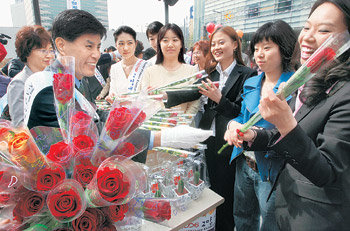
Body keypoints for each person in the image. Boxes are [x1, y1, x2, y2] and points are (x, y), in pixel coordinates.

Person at [225, 0, 350, 229]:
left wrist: (286, 123)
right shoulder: (311, 82)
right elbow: (278, 134)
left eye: (323, 30)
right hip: (283, 198)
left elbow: (327, 171)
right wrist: (251, 134)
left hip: (314, 216)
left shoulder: (341, 92)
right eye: (306, 27)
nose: (308, 37)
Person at [164, 26, 257, 230]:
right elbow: (192, 92)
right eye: (213, 43)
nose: (216, 47)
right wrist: (166, 96)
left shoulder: (247, 74)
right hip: (208, 139)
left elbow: (241, 112)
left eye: (221, 42)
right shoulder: (211, 72)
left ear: (235, 44)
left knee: (226, 192)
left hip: (229, 142)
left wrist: (219, 99)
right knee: (209, 187)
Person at [224, 20, 298, 230]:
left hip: (272, 170)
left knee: (270, 223)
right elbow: (242, 117)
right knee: (242, 216)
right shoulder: (251, 83)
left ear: (284, 50)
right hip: (243, 162)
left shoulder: (295, 86)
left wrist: (256, 134)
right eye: (256, 49)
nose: (259, 54)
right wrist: (232, 126)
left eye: (267, 48)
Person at [141, 23, 200, 114]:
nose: (170, 44)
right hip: (157, 125)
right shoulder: (149, 72)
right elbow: (144, 100)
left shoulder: (192, 71)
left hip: (184, 126)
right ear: (159, 44)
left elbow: (195, 102)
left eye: (175, 40)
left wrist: (182, 122)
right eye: (165, 40)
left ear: (181, 44)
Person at [7, 25, 54, 127]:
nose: (49, 55)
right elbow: (19, 124)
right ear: (27, 52)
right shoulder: (19, 83)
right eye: (43, 50)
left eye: (51, 50)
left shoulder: (51, 79)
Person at [106, 26, 149, 101]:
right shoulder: (114, 68)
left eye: (129, 43)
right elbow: (113, 93)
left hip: (143, 112)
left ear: (135, 44)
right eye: (121, 43)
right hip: (122, 112)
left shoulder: (146, 66)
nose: (125, 48)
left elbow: (150, 95)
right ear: (116, 45)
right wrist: (111, 98)